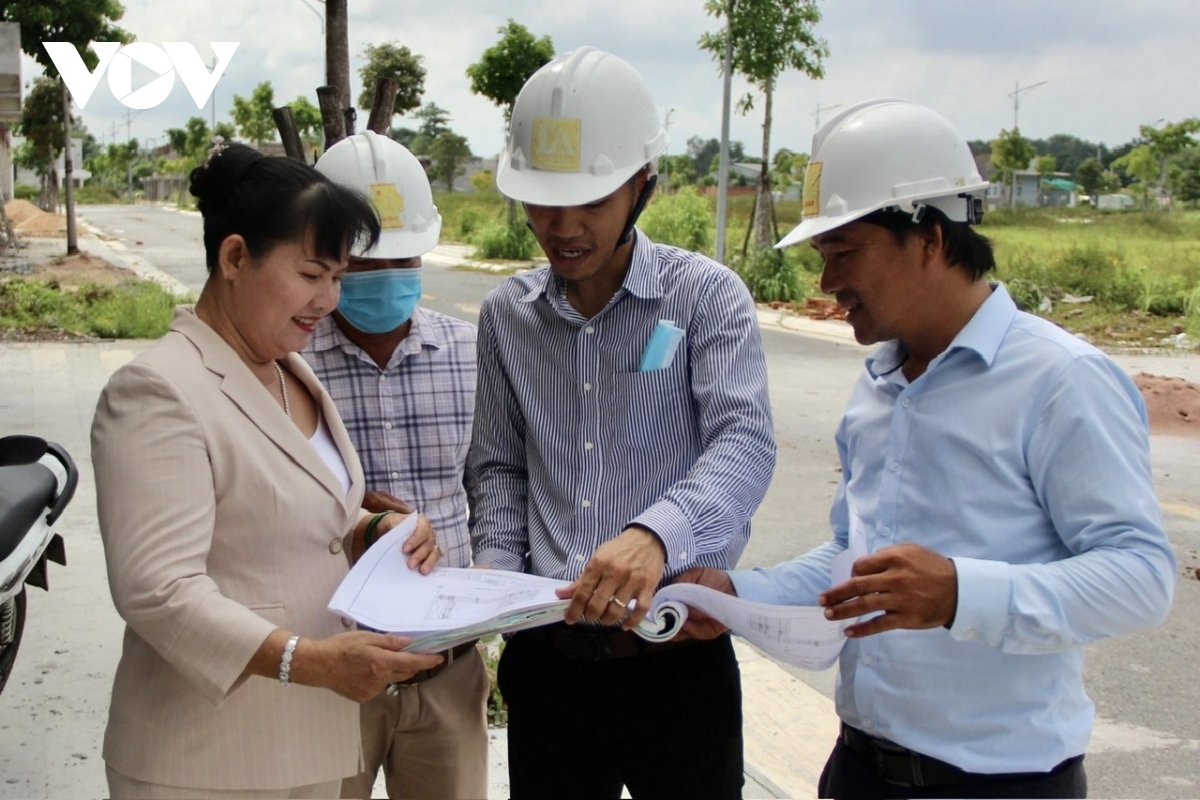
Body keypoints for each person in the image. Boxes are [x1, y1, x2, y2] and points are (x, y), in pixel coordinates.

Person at [676, 99, 1177, 799]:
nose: (828, 285)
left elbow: (1140, 576)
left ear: (931, 238)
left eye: (844, 253)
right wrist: (737, 593)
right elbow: (856, 561)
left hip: (999, 783)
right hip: (859, 770)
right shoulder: (878, 385)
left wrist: (960, 593)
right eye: (823, 258)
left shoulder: (1060, 381)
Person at [465, 47, 777, 799]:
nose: (561, 227)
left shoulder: (705, 298)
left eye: (591, 203)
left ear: (642, 187)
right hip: (549, 663)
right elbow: (500, 463)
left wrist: (655, 535)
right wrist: (500, 576)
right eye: (541, 203)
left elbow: (745, 440)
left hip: (675, 661)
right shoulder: (509, 314)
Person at [91, 141, 445, 800]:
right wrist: (307, 661)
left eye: (338, 276)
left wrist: (376, 529)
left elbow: (300, 518)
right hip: (205, 760)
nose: (328, 298)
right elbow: (157, 589)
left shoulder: (289, 369)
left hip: (305, 746)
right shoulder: (159, 390)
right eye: (312, 273)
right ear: (234, 257)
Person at [304, 131, 487, 800]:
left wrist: (493, 580)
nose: (383, 279)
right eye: (363, 265)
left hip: (448, 670)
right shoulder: (289, 368)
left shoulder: (471, 352)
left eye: (400, 259)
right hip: (330, 671)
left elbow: (492, 484)